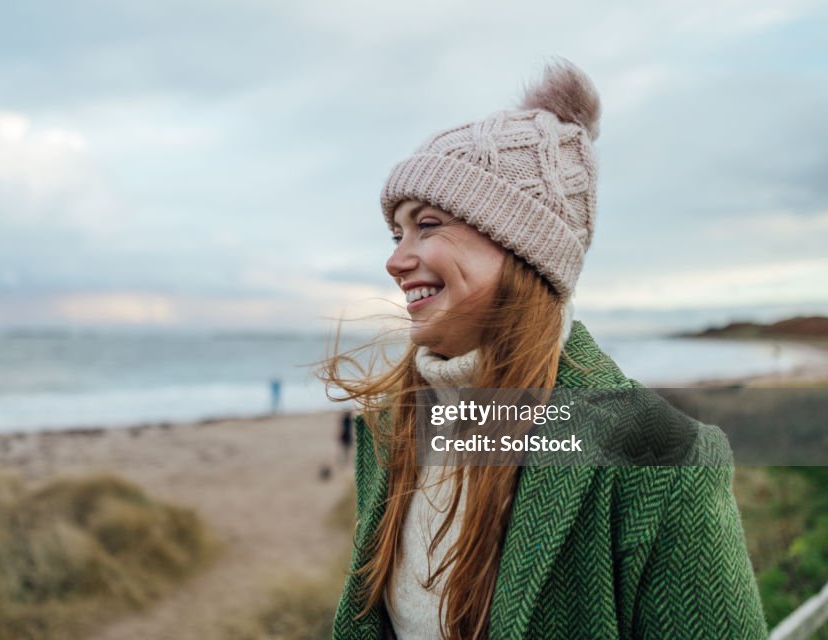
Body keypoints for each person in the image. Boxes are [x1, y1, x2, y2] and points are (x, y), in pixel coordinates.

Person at [322, 59, 766, 639]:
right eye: (396, 232)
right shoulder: (389, 431)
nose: (395, 260)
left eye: (427, 225)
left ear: (522, 248)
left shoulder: (662, 460)